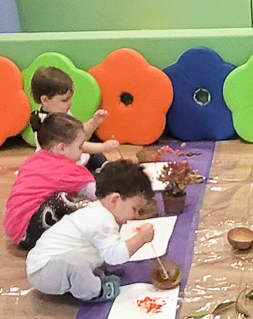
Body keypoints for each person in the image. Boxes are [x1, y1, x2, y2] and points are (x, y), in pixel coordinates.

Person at [27, 160, 155, 302]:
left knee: (79, 261)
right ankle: (96, 292)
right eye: (134, 209)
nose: (134, 215)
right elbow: (115, 256)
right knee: (75, 263)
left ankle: (79, 282)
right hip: (44, 271)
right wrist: (141, 238)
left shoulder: (98, 212)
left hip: (48, 267)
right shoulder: (102, 220)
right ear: (114, 200)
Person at [3, 113, 96, 250]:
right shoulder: (64, 169)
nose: (82, 152)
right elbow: (97, 192)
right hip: (29, 230)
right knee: (64, 201)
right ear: (62, 148)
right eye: (80, 147)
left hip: (14, 227)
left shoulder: (35, 160)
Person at [30, 66, 118, 172]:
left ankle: (106, 168)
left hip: (74, 155)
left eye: (70, 98)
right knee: (93, 163)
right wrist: (103, 147)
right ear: (45, 100)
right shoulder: (51, 124)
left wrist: (94, 122)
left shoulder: (61, 112)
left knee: (97, 157)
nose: (70, 103)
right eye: (64, 100)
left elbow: (78, 133)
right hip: (62, 167)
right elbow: (78, 144)